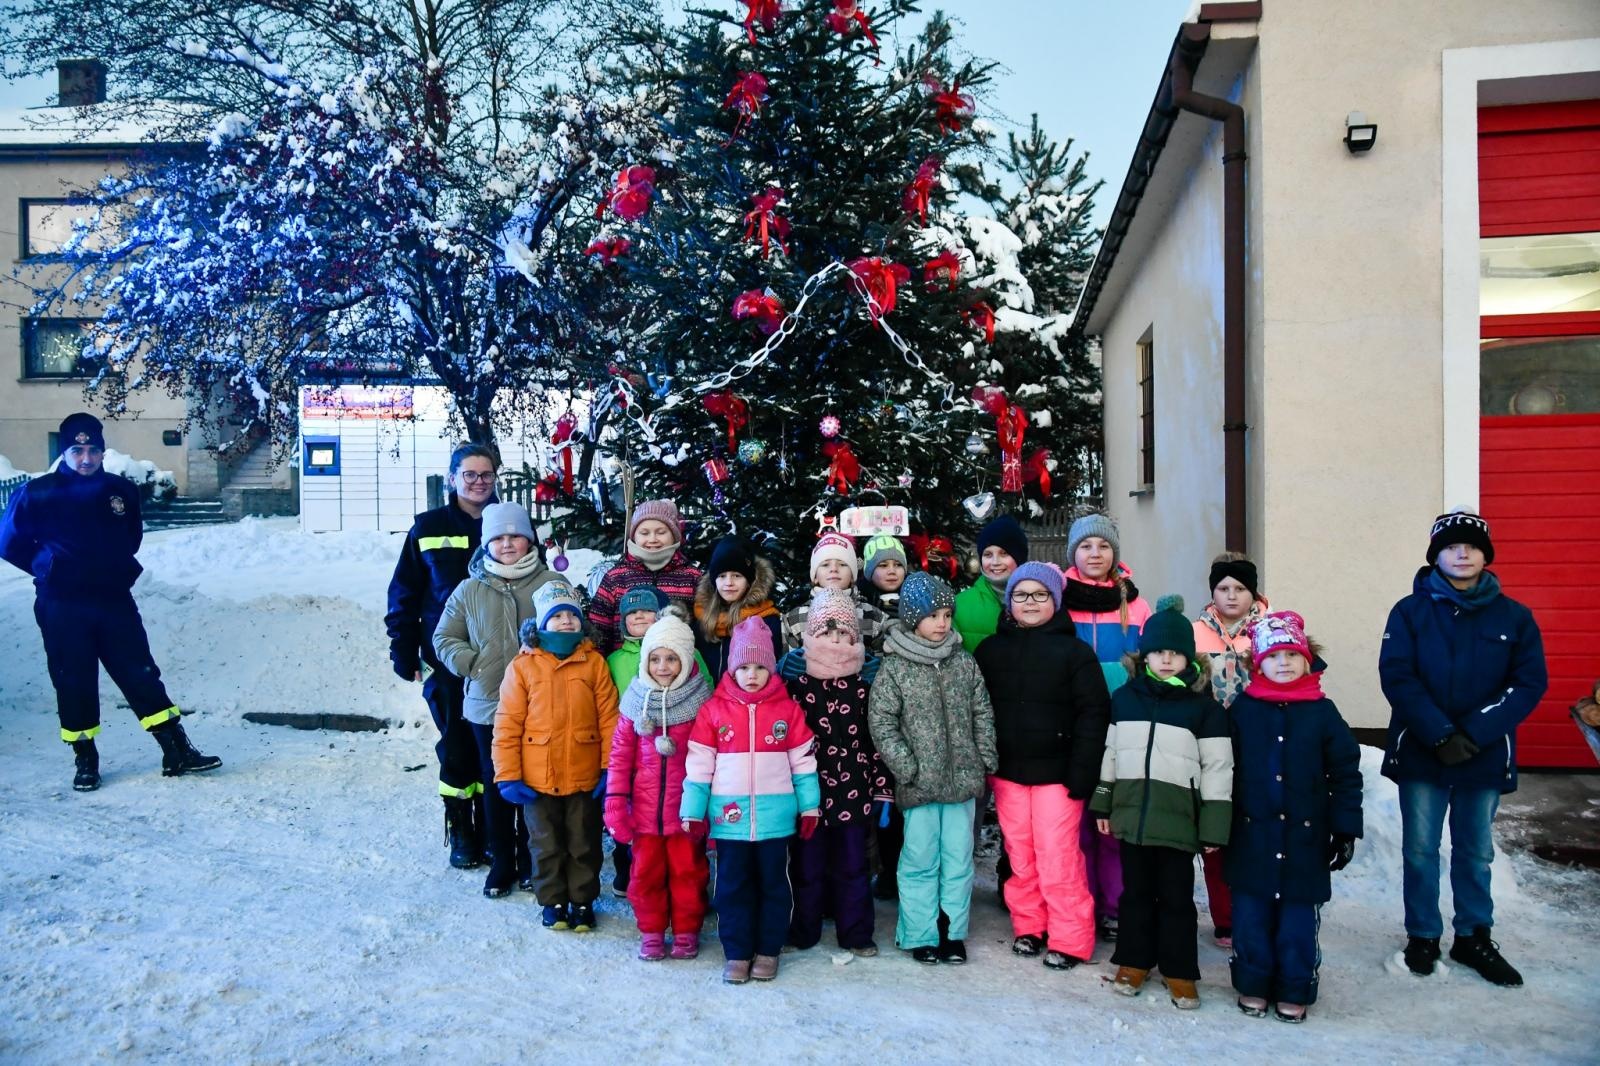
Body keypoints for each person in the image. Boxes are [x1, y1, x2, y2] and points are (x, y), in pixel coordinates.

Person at [0, 412, 220, 790]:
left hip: (113, 599)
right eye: (77, 450)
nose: (86, 458)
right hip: (62, 605)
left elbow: (131, 537)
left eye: (93, 450)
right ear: (64, 452)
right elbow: (8, 542)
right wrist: (47, 565)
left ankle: (175, 749)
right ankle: (86, 759)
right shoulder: (38, 492)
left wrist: (111, 565)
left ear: (103, 452)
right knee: (74, 679)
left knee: (141, 672)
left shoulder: (120, 491)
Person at [1378, 510, 1547, 987]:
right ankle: (1423, 935)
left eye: (1471, 546)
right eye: (1452, 546)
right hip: (1423, 752)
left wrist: (1474, 732)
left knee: (1475, 852)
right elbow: (1398, 676)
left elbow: (1529, 682)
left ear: (1485, 555)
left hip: (1484, 753)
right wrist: (1439, 733)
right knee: (1419, 850)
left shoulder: (1514, 617)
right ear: (1437, 555)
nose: (1462, 553)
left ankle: (1473, 935)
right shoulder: (1409, 612)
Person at [1092, 597, 1232, 1010]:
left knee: (1175, 899)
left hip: (1178, 822)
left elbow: (1219, 768)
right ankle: (1134, 961)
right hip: (1133, 815)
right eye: (1158, 652)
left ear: (1188, 659)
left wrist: (1213, 825)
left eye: (1175, 653)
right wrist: (1104, 801)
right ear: (1145, 655)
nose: (1166, 660)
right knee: (1135, 894)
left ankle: (1179, 969)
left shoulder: (1204, 710)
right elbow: (1112, 752)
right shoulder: (1126, 699)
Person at [1228, 610, 1363, 1023]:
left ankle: (1294, 985)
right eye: (1273, 656)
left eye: (1292, 655)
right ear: (1258, 665)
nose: (1283, 663)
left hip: (1305, 839)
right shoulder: (1242, 710)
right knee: (1251, 916)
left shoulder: (1323, 712)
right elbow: (1221, 769)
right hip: (1251, 835)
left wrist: (1345, 827)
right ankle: (1253, 982)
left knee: (1297, 922)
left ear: (1308, 660)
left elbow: (1344, 771)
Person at [976, 561, 1110, 973]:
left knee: (1058, 855)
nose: (1029, 603)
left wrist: (1082, 772)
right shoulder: (990, 651)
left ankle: (1070, 937)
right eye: (1021, 595)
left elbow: (1094, 715)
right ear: (1009, 601)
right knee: (1020, 854)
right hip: (1009, 772)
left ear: (1055, 600)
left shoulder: (1074, 653)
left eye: (1039, 595)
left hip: (1058, 776)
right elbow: (976, 710)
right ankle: (1030, 926)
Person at [432, 502, 562, 897]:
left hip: (542, 706)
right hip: (488, 706)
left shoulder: (550, 584)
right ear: (487, 543)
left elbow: (576, 630)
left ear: (529, 540)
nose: (508, 544)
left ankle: (531, 860)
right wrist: (473, 663)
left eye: (515, 536)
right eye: (499, 538)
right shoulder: (469, 589)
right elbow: (444, 637)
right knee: (496, 784)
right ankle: (502, 862)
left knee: (536, 784)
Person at [681, 616, 821, 984]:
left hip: (776, 822)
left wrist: (810, 806)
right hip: (731, 823)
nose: (752, 674)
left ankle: (769, 949)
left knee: (775, 886)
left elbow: (803, 763)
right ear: (732, 668)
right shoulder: (713, 711)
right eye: (744, 667)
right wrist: (693, 812)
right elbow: (698, 767)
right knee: (732, 888)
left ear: (771, 668)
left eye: (760, 666)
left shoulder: (787, 710)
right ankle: (738, 952)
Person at [868, 572, 997, 965]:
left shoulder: (963, 662)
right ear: (912, 619)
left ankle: (952, 932)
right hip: (921, 784)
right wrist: (906, 767)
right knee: (920, 859)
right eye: (932, 615)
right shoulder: (895, 667)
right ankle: (921, 932)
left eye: (946, 614)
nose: (942, 623)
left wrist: (984, 755)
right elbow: (882, 721)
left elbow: (981, 711)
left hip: (962, 781)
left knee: (958, 858)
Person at [386, 441, 498, 867]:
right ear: (453, 478)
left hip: (498, 660)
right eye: (469, 474)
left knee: (493, 746)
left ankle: (493, 828)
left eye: (485, 475)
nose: (478, 482)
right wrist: (403, 648)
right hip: (445, 658)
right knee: (456, 746)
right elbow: (405, 592)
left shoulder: (508, 523)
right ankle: (462, 832)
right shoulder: (427, 527)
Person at [493, 580, 620, 933]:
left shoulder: (594, 663)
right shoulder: (523, 667)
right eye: (557, 615)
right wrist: (508, 773)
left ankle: (582, 901)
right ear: (542, 623)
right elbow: (507, 723)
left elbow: (610, 720)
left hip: (584, 776)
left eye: (572, 615)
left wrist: (611, 769)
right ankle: (553, 902)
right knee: (546, 845)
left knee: (584, 843)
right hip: (538, 780)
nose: (566, 622)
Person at [1062, 511, 1152, 943]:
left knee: (1113, 820)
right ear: (1072, 553)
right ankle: (1083, 903)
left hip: (1121, 723)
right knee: (1077, 821)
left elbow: (1148, 663)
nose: (1094, 553)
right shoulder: (1057, 597)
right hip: (1072, 722)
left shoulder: (1134, 603)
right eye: (1085, 546)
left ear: (1115, 552)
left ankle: (1116, 906)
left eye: (1102, 546)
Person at [604, 607, 712, 961]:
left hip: (685, 816)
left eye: (671, 659)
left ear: (684, 660)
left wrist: (708, 813)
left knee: (688, 875)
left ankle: (685, 931)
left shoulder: (700, 705)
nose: (662, 667)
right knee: (645, 876)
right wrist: (616, 803)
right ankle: (651, 930)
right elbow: (619, 760)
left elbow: (711, 762)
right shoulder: (634, 705)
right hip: (645, 817)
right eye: (655, 659)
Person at [786, 589, 890, 956]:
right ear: (811, 635)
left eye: (843, 633)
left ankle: (857, 933)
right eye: (827, 632)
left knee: (853, 868)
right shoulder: (797, 685)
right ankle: (803, 930)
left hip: (854, 792)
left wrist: (881, 789)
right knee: (807, 868)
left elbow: (877, 740)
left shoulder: (865, 687)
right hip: (808, 795)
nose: (835, 640)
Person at [1191, 552, 1269, 948]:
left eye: (1240, 588)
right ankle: (1224, 917)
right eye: (1223, 588)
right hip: (1210, 747)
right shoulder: (1195, 632)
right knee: (1215, 833)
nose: (1232, 596)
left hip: (1258, 748)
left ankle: (1254, 912)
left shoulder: (1272, 629)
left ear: (1253, 591)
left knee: (1254, 834)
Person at [588, 500, 702, 654]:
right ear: (634, 535)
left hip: (677, 670)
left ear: (674, 535)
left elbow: (704, 630)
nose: (652, 539)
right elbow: (598, 631)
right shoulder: (616, 578)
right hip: (624, 671)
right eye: (644, 533)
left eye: (661, 532)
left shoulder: (691, 577)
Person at [692, 535, 781, 683]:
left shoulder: (765, 621)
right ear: (714, 580)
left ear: (749, 581)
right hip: (706, 701)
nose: (729, 583)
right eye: (722, 576)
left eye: (736, 575)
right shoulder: (702, 619)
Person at [779, 531, 886, 652]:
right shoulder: (794, 619)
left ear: (852, 575)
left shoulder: (874, 617)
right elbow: (789, 667)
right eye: (825, 565)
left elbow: (880, 665)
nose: (834, 569)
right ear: (814, 576)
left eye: (842, 564)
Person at [607, 586, 711, 696]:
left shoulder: (687, 652)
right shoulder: (614, 660)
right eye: (632, 612)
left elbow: (706, 687)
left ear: (663, 615)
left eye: (647, 610)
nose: (639, 616)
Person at [953, 515, 1027, 654]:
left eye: (1004, 553)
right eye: (988, 554)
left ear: (1019, 557)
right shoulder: (959, 605)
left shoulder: (1040, 601)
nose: (995, 562)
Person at [858, 534, 909, 620]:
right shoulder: (858, 598)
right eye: (883, 565)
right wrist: (875, 615)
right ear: (869, 571)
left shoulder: (917, 595)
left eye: (898, 565)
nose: (892, 571)